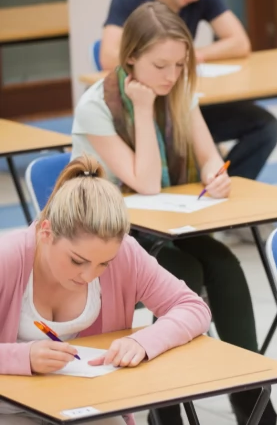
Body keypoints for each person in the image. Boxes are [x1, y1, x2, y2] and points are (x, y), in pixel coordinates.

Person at [72, 3, 275, 425]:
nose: (171, 75)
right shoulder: (96, 106)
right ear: (130, 58)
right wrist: (143, 112)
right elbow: (144, 182)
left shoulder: (179, 91)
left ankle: (250, 397)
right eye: (160, 65)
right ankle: (165, 408)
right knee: (186, 273)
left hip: (165, 227)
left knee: (225, 263)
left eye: (180, 65)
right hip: (109, 241)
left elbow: (207, 157)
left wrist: (214, 175)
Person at [0, 154, 212, 425]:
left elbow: (192, 307)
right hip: (8, 408)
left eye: (104, 263)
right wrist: (22, 357)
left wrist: (142, 342)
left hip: (86, 405)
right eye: (78, 260)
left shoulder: (126, 254)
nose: (89, 276)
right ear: (46, 233)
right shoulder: (7, 258)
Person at [99, 0, 277, 186]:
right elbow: (108, 56)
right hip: (141, 103)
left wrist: (188, 56)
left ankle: (221, 189)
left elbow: (240, 42)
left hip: (177, 98)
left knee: (266, 127)